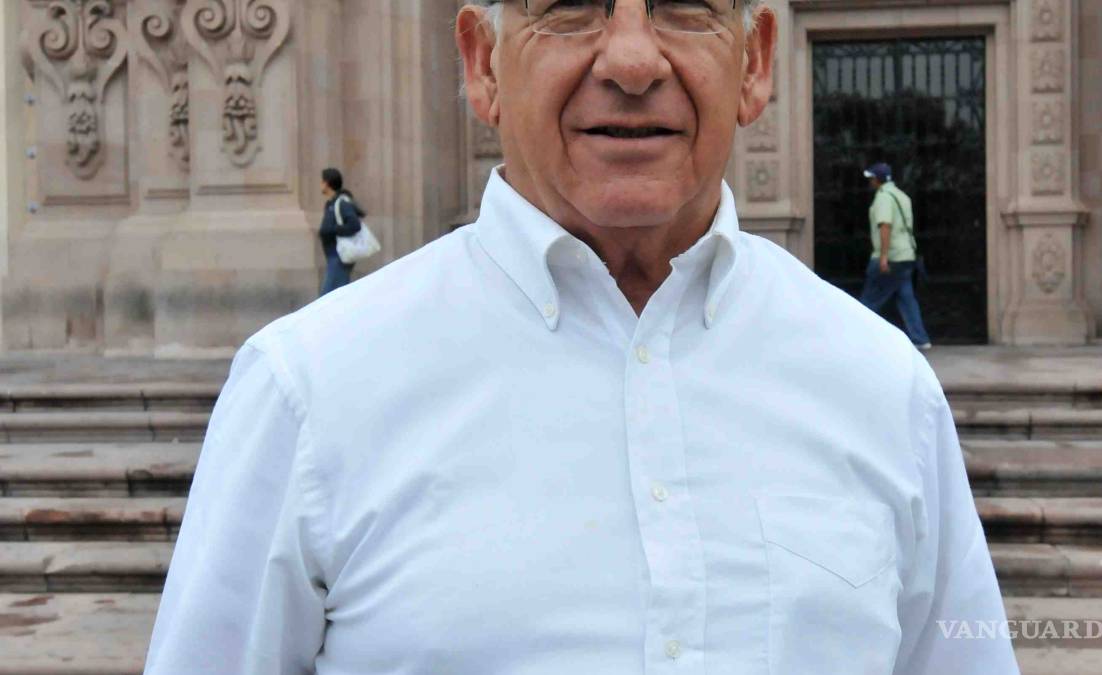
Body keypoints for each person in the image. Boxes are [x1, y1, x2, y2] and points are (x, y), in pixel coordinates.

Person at [145, 2, 1017, 673]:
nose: (632, 61)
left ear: (754, 63)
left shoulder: (883, 387)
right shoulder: (307, 392)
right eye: (568, 7)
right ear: (482, 64)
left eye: (684, 7)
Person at [860, 162, 932, 350]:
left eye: (871, 178)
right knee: (906, 298)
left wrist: (883, 257)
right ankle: (920, 337)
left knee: (870, 300)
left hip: (891, 257)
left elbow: (885, 226)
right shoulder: (902, 196)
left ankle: (857, 336)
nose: (870, 182)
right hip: (906, 254)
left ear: (877, 180)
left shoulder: (883, 197)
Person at [317, 167, 364, 296]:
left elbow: (355, 225)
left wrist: (333, 229)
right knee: (336, 296)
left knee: (327, 297)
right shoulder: (331, 204)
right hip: (334, 256)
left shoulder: (341, 203)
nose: (320, 184)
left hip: (339, 256)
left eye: (322, 181)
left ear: (327, 183)